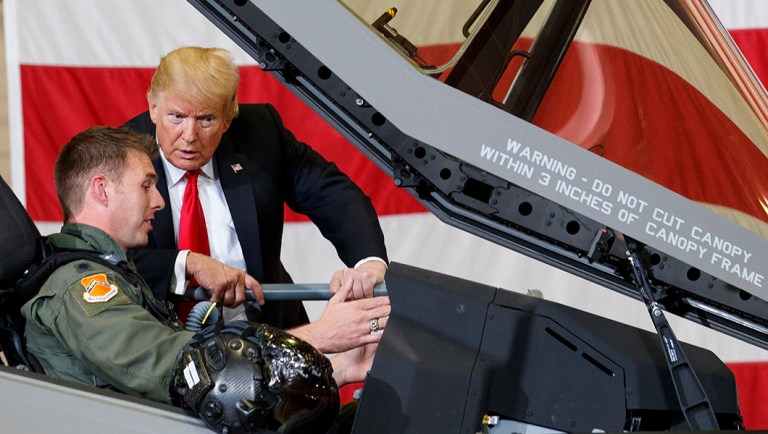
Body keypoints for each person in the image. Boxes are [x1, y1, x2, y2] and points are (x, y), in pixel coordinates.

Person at [21, 126, 380, 433]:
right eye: (147, 185)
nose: (159, 200)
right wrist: (322, 336)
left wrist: (339, 365)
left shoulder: (117, 276)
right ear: (101, 190)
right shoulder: (78, 288)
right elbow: (195, 370)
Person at [122, 46, 389, 353]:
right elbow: (101, 253)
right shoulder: (121, 155)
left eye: (206, 119)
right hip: (166, 345)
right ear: (153, 107)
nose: (189, 135)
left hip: (269, 330)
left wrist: (368, 262)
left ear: (228, 117)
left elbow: (331, 194)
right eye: (176, 117)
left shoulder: (260, 132)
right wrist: (188, 263)